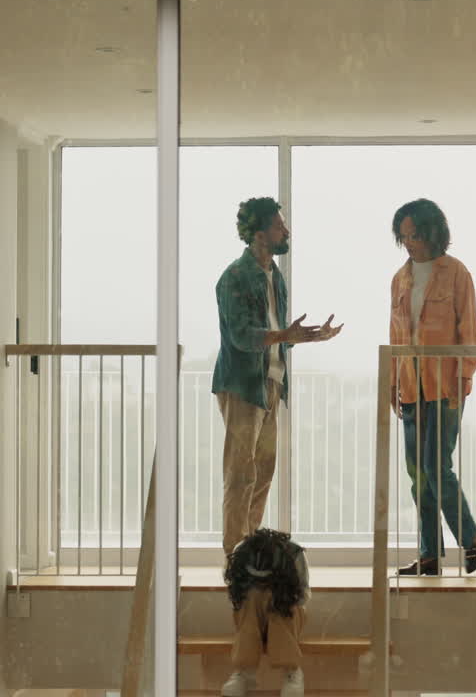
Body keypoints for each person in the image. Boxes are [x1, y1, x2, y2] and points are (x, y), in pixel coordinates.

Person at [213, 197, 342, 555]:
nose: (286, 231)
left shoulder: (275, 275)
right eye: (278, 226)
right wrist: (285, 334)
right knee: (240, 475)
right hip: (242, 387)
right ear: (259, 234)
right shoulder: (234, 277)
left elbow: (276, 334)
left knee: (263, 474)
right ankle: (233, 556)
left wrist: (309, 337)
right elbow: (242, 337)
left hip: (272, 384)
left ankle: (249, 552)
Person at [389, 198, 476, 576]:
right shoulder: (400, 278)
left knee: (435, 466)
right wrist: (392, 381)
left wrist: (463, 377)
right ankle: (430, 555)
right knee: (418, 475)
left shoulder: (456, 273)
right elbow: (395, 335)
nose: (409, 243)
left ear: (432, 233)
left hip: (445, 385)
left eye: (414, 235)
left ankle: (472, 537)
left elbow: (470, 330)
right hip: (410, 386)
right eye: (403, 236)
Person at [220, 528, 311, 697]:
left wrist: (277, 595)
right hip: (251, 614)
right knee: (249, 597)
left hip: (285, 616)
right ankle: (244, 671)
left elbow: (302, 596)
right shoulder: (241, 552)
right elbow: (234, 596)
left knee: (281, 599)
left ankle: (291, 671)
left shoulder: (294, 554)